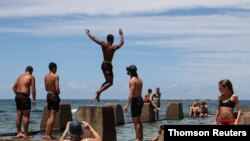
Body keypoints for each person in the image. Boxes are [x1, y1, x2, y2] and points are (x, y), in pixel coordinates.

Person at [85, 28, 124, 103]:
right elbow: (121, 43)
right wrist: (121, 34)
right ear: (112, 40)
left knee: (107, 81)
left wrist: (88, 33)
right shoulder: (113, 47)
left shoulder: (103, 44)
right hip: (108, 65)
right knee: (110, 82)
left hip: (103, 64)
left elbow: (94, 39)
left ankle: (98, 94)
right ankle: (99, 92)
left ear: (107, 39)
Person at [12, 66, 36, 138]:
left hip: (18, 96)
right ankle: (25, 134)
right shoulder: (31, 77)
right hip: (25, 97)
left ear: (25, 70)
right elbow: (33, 90)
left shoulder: (19, 77)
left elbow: (13, 87)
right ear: (31, 71)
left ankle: (18, 133)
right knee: (26, 116)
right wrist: (33, 99)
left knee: (19, 115)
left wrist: (18, 94)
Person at [124, 65, 144, 141]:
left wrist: (127, 105)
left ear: (130, 72)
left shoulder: (132, 80)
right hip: (140, 99)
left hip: (135, 100)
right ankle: (141, 137)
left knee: (136, 121)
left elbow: (131, 94)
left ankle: (138, 138)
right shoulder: (140, 80)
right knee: (138, 120)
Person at [44, 62, 61, 139]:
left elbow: (46, 88)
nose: (56, 70)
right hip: (54, 96)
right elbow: (57, 89)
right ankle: (48, 135)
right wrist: (58, 91)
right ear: (53, 68)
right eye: (56, 68)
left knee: (49, 116)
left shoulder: (46, 77)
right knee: (52, 116)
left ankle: (46, 134)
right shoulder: (55, 76)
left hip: (48, 95)